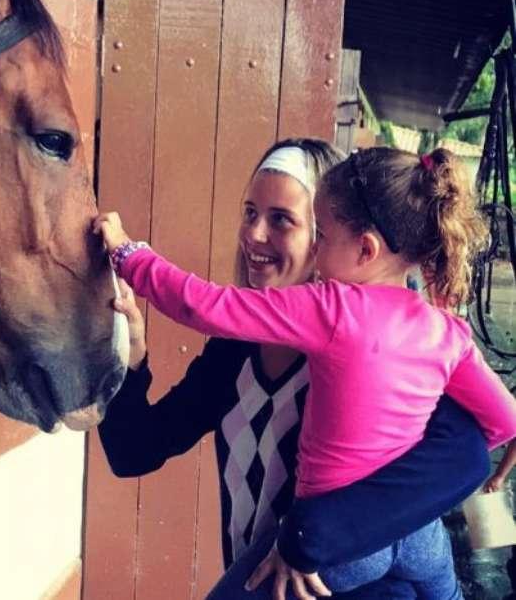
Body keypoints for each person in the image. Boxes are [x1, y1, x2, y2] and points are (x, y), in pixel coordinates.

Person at [96, 146, 516, 598]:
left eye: (283, 220)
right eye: (250, 212)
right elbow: (133, 451)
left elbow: (467, 457)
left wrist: (312, 534)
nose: (254, 234)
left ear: (352, 242)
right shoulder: (234, 355)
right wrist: (131, 357)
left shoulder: (356, 346)